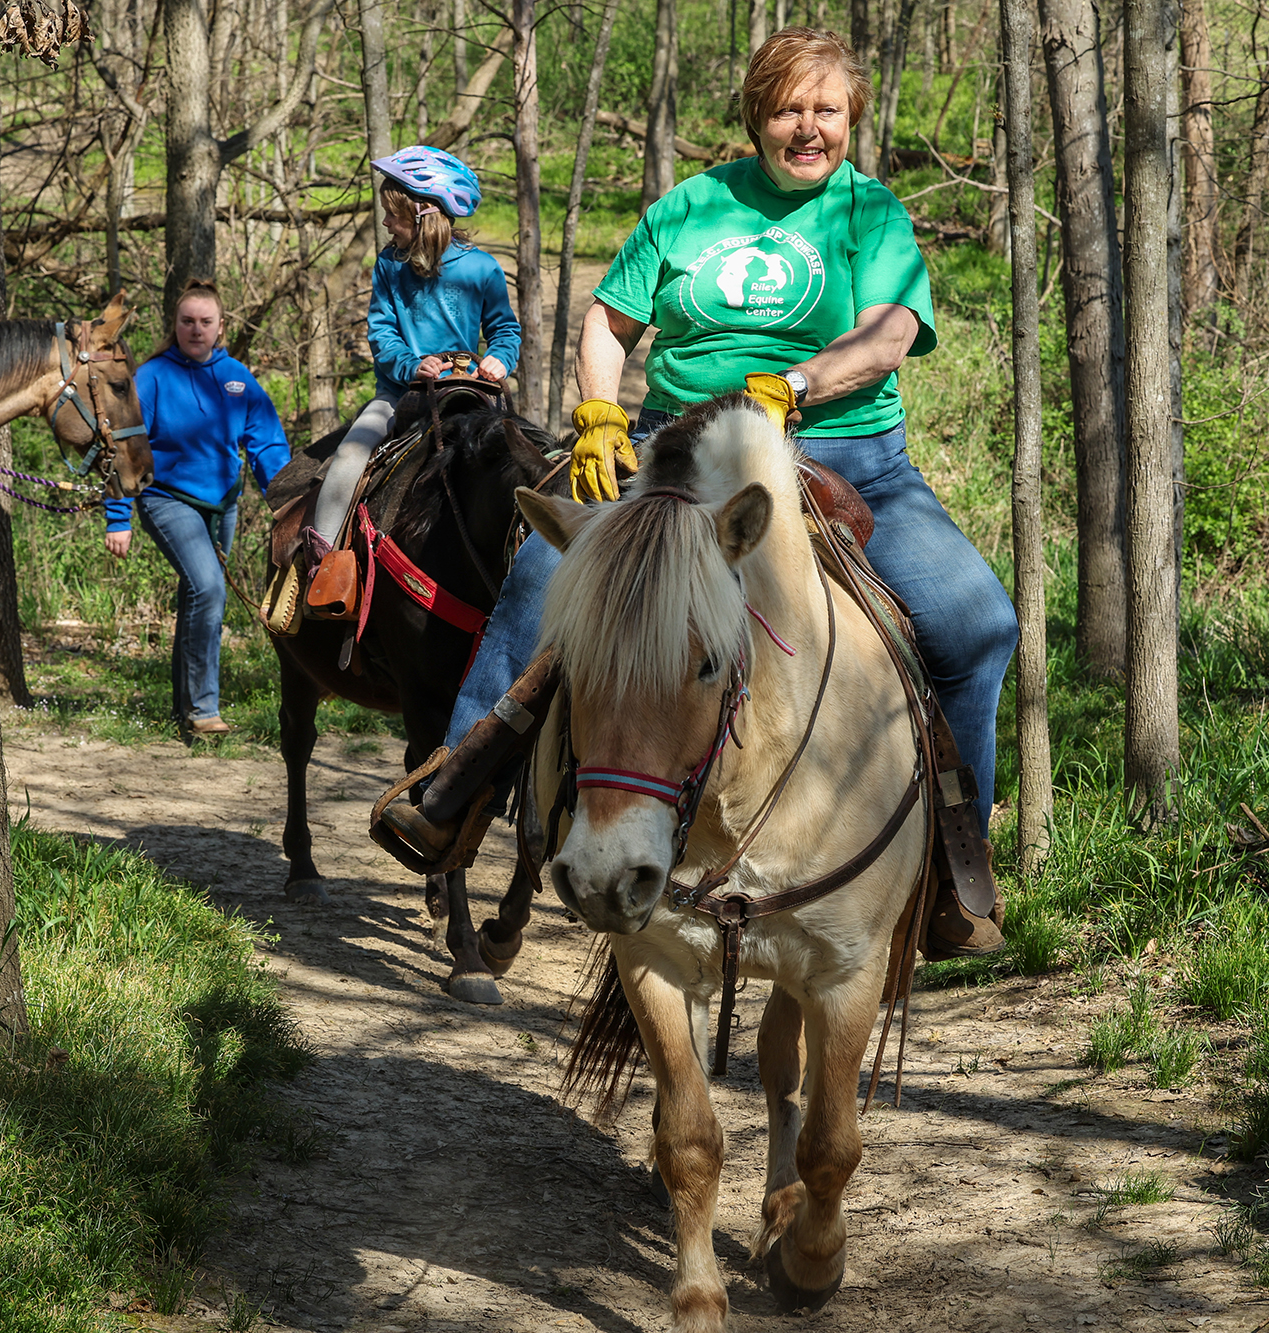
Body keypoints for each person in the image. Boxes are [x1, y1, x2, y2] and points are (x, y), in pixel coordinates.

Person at [379, 27, 1018, 957]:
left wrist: (793, 385)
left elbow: (888, 331)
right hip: (679, 448)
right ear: (758, 116)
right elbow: (607, 320)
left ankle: (951, 868)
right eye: (789, 109)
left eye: (827, 111)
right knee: (540, 578)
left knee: (977, 624)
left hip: (844, 448)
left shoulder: (868, 213)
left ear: (852, 120)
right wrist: (600, 412)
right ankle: (460, 785)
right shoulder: (689, 207)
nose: (809, 128)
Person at [308, 146, 521, 575]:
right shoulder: (389, 264)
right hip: (399, 394)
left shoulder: (481, 268)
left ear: (424, 213)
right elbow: (381, 332)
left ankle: (523, 568)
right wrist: (411, 365)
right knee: (350, 455)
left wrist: (499, 359)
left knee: (521, 463)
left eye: (394, 213)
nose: (386, 222)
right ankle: (325, 566)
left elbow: (505, 330)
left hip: (467, 393)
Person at [104, 280, 289, 740]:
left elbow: (265, 442)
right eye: (187, 321)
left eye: (205, 321)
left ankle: (183, 709)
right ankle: (205, 710)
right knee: (208, 589)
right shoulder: (151, 376)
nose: (196, 329)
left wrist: (286, 500)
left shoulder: (237, 377)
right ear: (176, 325)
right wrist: (118, 516)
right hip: (165, 497)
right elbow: (120, 447)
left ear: (220, 326)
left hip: (222, 504)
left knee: (197, 599)